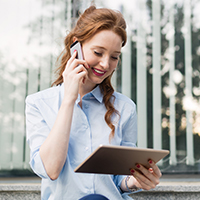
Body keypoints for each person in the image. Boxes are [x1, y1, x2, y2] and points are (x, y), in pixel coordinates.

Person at [25, 5, 162, 200]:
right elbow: (50, 170)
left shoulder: (125, 108)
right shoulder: (38, 103)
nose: (106, 64)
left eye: (114, 57)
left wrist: (135, 181)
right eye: (98, 53)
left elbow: (118, 180)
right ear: (76, 47)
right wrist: (69, 99)